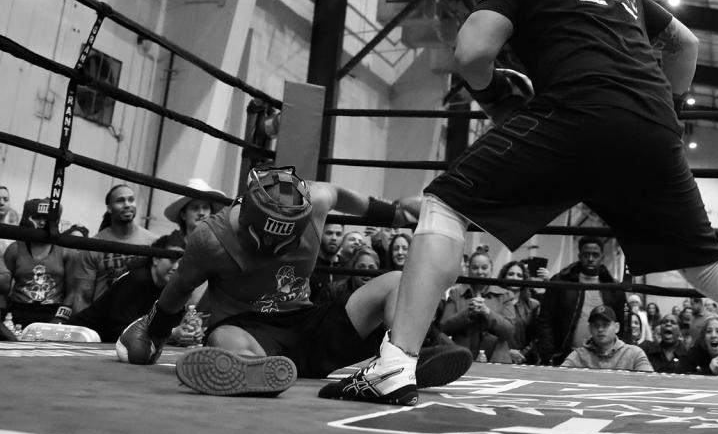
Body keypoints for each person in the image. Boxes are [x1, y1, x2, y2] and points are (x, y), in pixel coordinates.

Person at [321, 0, 718, 421]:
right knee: (710, 268)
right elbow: (685, 42)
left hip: (576, 113)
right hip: (653, 130)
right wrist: (665, 109)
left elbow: (470, 52)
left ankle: (393, 365)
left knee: (444, 204)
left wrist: (491, 93)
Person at [116, 166, 471, 398]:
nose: (275, 246)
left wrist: (393, 213)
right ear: (248, 218)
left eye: (286, 238)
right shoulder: (212, 239)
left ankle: (410, 356)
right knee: (222, 338)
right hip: (252, 330)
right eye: (267, 236)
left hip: (309, 323)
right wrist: (155, 331)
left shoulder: (314, 202)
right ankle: (250, 370)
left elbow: (342, 195)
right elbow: (178, 289)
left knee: (396, 280)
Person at [72, 235, 200, 343]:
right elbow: (119, 331)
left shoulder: (173, 288)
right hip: (81, 337)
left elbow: (172, 327)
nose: (176, 267)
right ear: (155, 259)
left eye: (181, 262)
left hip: (107, 344)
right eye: (172, 260)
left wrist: (189, 331)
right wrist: (171, 334)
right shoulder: (137, 280)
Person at [536, 237, 626, 365]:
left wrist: (621, 356)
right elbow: (545, 319)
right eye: (586, 254)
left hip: (605, 358)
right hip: (564, 356)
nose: (590, 259)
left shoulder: (614, 288)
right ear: (579, 256)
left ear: (602, 257)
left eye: (595, 255)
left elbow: (622, 323)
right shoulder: (560, 281)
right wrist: (548, 354)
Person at [67, 185, 157, 312]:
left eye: (131, 199)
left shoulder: (153, 242)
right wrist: (84, 328)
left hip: (139, 318)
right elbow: (82, 296)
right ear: (109, 208)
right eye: (120, 201)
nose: (127, 204)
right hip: (103, 317)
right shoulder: (92, 246)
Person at [0, 198, 73, 326]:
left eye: (47, 219)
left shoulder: (65, 251)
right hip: (17, 310)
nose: (41, 223)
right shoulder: (15, 249)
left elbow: (73, 292)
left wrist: (60, 318)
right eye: (37, 217)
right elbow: (3, 289)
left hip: (52, 311)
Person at [439, 251, 515, 363]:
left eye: (484, 268)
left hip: (497, 360)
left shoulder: (505, 295)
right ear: (468, 269)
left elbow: (509, 331)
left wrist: (488, 312)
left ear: (491, 269)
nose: (480, 272)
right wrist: (467, 313)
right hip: (461, 358)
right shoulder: (455, 293)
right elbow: (444, 328)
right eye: (475, 268)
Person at [561, 305, 652, 372]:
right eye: (596, 325)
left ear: (617, 327)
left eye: (606, 325)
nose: (600, 329)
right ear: (589, 329)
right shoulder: (578, 356)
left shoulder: (635, 354)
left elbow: (650, 381)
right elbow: (559, 378)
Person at [163, 178, 226, 246]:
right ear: (183, 215)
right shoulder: (165, 243)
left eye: (205, 208)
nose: (201, 213)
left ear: (211, 213)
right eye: (195, 208)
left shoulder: (221, 246)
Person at [499, 260, 540, 364]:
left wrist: (522, 353)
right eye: (511, 274)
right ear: (504, 277)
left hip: (526, 360)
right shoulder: (494, 302)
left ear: (524, 279)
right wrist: (507, 352)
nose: (515, 278)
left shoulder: (534, 305)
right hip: (498, 356)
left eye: (519, 275)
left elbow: (537, 337)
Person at [313, 247, 380, 305]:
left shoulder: (382, 294)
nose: (366, 272)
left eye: (371, 268)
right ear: (353, 268)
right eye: (361, 267)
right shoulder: (333, 291)